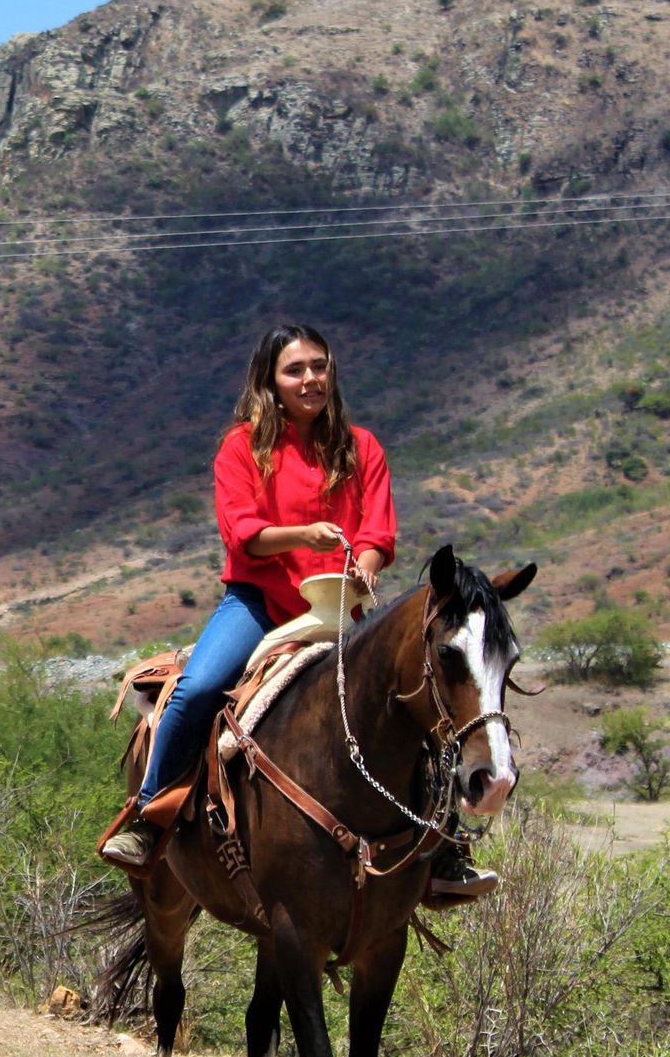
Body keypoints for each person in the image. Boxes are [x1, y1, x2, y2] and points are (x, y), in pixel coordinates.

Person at [97, 324, 493, 898]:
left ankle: (443, 846)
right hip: (259, 603)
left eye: (318, 366)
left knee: (416, 700)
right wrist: (304, 533)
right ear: (270, 381)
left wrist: (369, 566)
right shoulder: (242, 446)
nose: (310, 378)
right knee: (200, 686)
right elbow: (243, 533)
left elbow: (379, 529)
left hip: (341, 610)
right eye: (295, 369)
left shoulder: (362, 446)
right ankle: (150, 815)